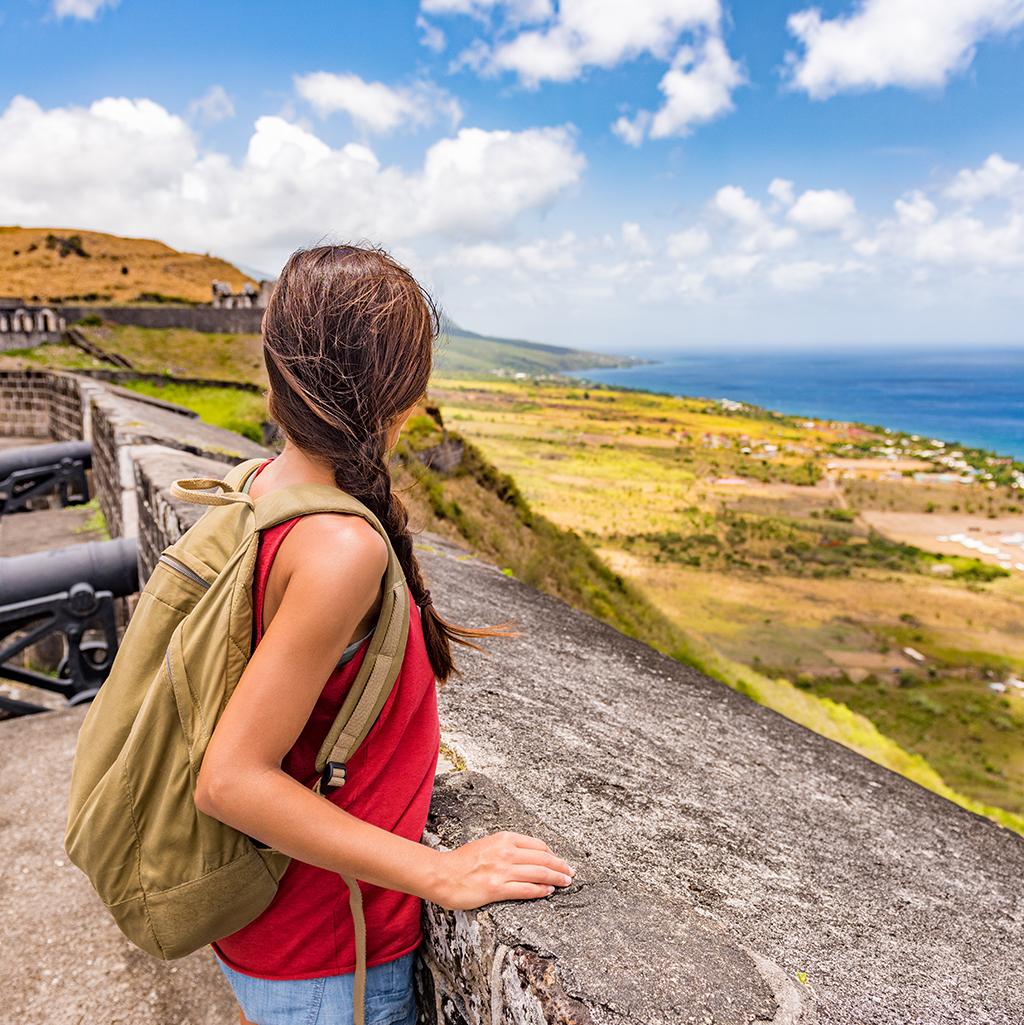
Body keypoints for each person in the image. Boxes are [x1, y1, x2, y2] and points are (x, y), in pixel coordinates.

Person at [194, 244, 576, 1025]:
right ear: (404, 395)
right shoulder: (341, 549)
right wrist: (441, 873)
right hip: (331, 955)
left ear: (275, 370)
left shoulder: (264, 486)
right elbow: (229, 780)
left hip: (275, 934)